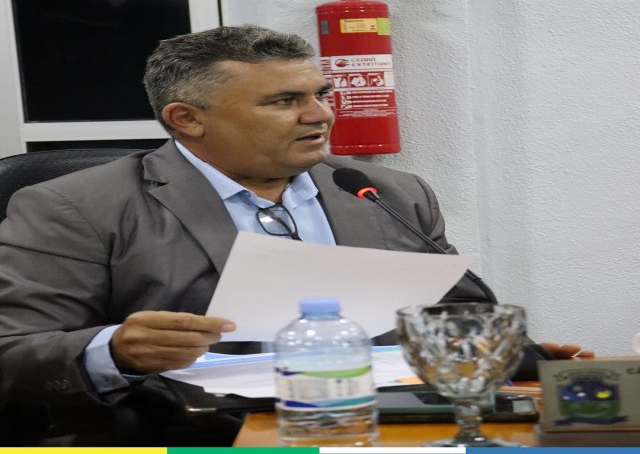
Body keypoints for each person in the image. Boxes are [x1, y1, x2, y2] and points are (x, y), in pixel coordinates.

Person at [0, 25, 591, 446]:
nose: (320, 115)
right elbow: (14, 353)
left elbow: (451, 315)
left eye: (320, 95)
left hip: (386, 429)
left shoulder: (386, 191)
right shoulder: (75, 207)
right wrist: (115, 350)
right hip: (191, 432)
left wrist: (506, 357)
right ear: (187, 118)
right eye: (286, 101)